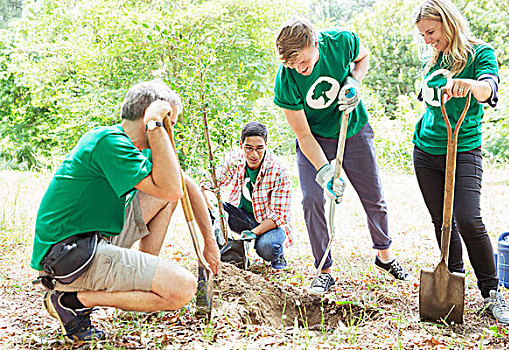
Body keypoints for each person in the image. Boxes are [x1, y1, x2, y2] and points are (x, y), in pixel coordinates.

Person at [31, 79, 220, 342]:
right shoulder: (110, 143)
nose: (171, 132)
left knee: (165, 197)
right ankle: (71, 301)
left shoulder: (134, 148)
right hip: (70, 256)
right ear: (151, 116)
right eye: (171, 124)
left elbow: (183, 185)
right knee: (183, 288)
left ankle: (142, 276)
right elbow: (172, 188)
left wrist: (209, 244)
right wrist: (155, 125)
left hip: (92, 241)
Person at [273, 18, 413, 294]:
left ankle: (384, 255)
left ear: (315, 44)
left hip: (353, 130)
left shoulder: (341, 42)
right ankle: (324, 270)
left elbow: (363, 57)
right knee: (312, 199)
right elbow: (303, 136)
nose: (299, 70)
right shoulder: (286, 80)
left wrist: (354, 81)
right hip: (315, 139)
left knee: (373, 194)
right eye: (292, 66)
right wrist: (325, 172)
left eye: (302, 62)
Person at [412, 0, 509, 327]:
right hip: (426, 149)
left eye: (431, 32)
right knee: (442, 222)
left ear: (448, 22)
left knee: (468, 219)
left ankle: (492, 293)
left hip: (464, 148)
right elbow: (427, 99)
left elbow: (489, 89)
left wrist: (472, 86)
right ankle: (453, 280)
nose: (428, 39)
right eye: (423, 35)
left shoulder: (480, 53)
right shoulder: (432, 57)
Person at [201, 121, 292, 269]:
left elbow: (279, 215)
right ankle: (220, 253)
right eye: (248, 148)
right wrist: (216, 213)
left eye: (259, 148)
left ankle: (277, 254)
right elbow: (207, 185)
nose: (254, 155)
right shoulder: (234, 160)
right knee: (205, 209)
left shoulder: (278, 170)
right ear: (241, 144)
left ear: (266, 144)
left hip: (269, 224)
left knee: (266, 247)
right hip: (241, 217)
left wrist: (253, 233)